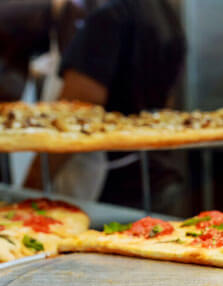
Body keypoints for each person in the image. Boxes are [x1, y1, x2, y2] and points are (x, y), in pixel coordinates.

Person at [23, 0, 186, 213]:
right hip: (157, 176)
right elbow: (167, 101)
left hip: (110, 189)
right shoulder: (165, 13)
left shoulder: (107, 18)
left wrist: (30, 188)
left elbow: (76, 112)